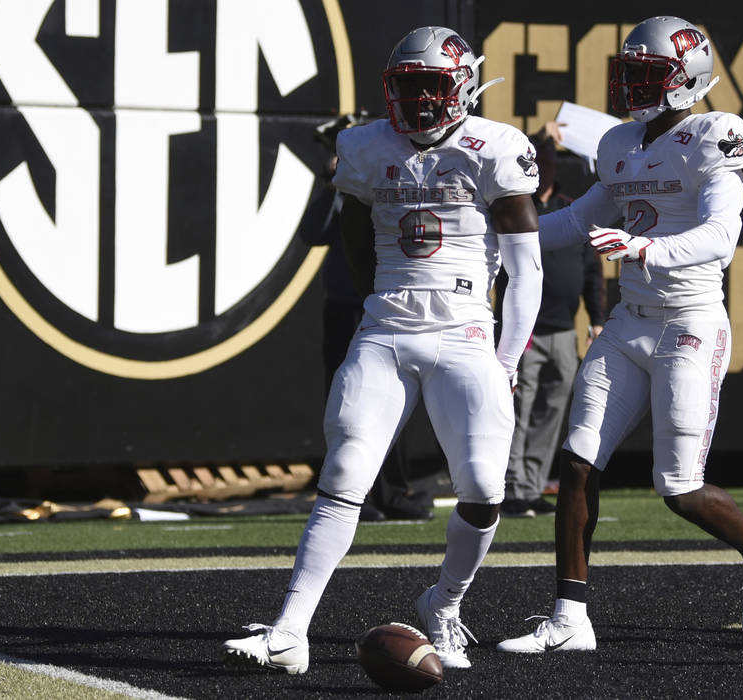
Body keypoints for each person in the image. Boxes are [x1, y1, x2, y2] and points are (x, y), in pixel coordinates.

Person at [224, 25, 542, 671]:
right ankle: (290, 632)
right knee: (344, 474)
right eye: (408, 87)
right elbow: (356, 240)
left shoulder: (496, 147)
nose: (420, 102)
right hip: (388, 330)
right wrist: (383, 301)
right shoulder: (365, 145)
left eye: (432, 87)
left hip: (464, 333)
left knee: (483, 490)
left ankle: (445, 603)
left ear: (462, 86)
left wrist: (506, 359)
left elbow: (526, 268)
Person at [496, 16, 743, 654]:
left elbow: (722, 235)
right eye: (627, 71)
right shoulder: (619, 142)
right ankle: (569, 618)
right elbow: (576, 219)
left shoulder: (716, 133)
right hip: (630, 322)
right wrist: (498, 237)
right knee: (576, 465)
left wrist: (645, 246)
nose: (630, 85)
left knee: (678, 488)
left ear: (687, 80)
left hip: (689, 322)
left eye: (645, 74)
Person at [305, 114, 435, 523]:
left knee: (391, 402)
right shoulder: (344, 188)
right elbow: (312, 232)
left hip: (384, 304)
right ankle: (354, 495)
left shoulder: (384, 181)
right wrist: (330, 181)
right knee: (350, 404)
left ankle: (392, 492)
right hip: (347, 306)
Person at [496, 126, 606, 518]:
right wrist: (537, 135)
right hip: (524, 330)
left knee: (552, 409)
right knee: (518, 409)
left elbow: (593, 270)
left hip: (563, 329)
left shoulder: (568, 206)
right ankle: (509, 487)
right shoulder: (514, 204)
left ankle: (531, 484)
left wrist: (596, 319)